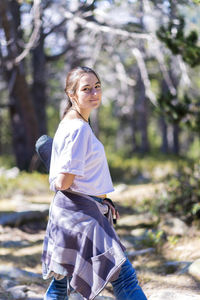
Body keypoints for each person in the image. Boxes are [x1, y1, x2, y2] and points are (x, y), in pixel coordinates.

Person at [42, 66, 147, 300]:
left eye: (97, 87)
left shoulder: (70, 122)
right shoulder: (78, 128)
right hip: (81, 215)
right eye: (86, 89)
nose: (94, 93)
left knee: (60, 284)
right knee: (124, 276)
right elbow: (63, 181)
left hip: (68, 213)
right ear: (72, 95)